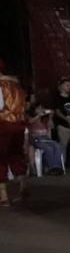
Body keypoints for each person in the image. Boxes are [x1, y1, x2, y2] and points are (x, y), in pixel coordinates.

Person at [0, 60, 29, 206]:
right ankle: (23, 189)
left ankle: (3, 197)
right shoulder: (16, 85)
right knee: (16, 155)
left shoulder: (1, 85)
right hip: (19, 124)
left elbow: (0, 106)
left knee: (1, 158)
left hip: (3, 124)